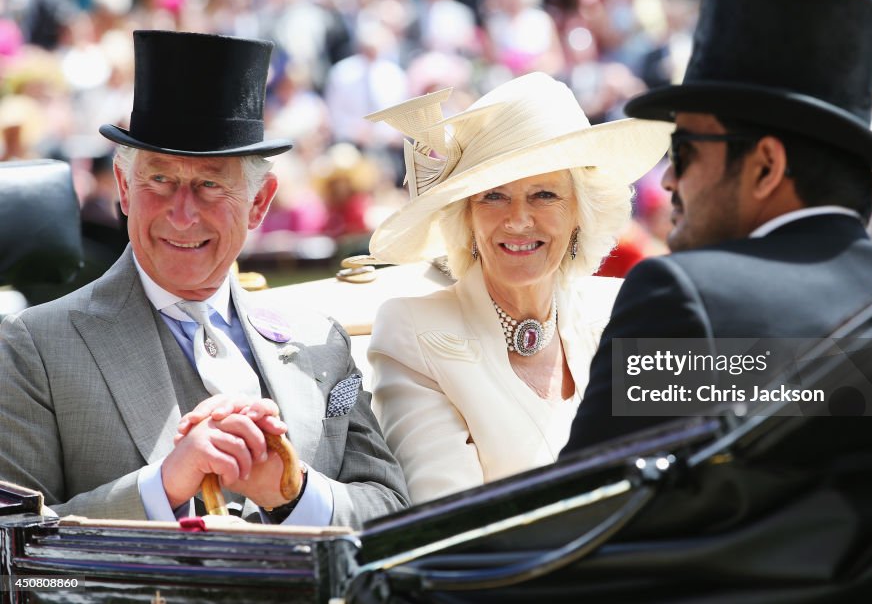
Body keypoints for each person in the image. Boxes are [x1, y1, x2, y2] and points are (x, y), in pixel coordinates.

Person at [563, 0, 872, 454]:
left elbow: (577, 515)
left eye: (683, 153)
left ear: (766, 166)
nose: (670, 179)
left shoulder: (684, 300)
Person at [0, 31, 408, 526]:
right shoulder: (33, 348)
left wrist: (294, 493)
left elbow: (390, 513)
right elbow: (15, 553)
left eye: (210, 184)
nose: (182, 213)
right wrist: (163, 487)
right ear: (125, 187)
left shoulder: (321, 341)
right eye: (160, 180)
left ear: (260, 202)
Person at [364, 73, 669, 503]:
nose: (519, 220)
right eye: (493, 196)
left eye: (544, 194)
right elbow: (448, 520)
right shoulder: (412, 331)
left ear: (581, 210)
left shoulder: (622, 310)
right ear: (466, 216)